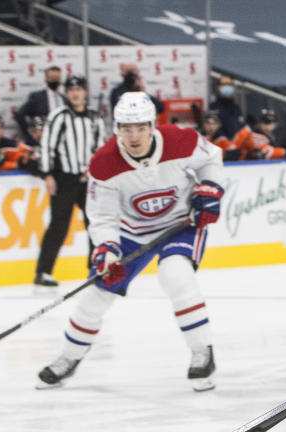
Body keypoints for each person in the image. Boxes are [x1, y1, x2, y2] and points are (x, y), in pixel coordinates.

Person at [36, 92, 224, 392]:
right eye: (126, 128)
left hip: (180, 223)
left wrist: (211, 187)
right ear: (117, 129)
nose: (133, 135)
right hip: (132, 232)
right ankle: (68, 358)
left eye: (140, 127)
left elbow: (211, 157)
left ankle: (203, 353)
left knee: (175, 275)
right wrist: (107, 249)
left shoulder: (180, 139)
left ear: (152, 125)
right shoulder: (103, 163)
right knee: (95, 296)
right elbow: (102, 218)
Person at [35, 76, 107, 287]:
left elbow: (100, 148)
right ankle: (43, 272)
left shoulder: (95, 116)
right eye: (71, 90)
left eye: (78, 89)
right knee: (58, 225)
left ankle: (94, 268)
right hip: (63, 179)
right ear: (66, 93)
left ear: (84, 91)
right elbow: (47, 146)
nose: (75, 93)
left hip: (88, 180)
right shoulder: (59, 116)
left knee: (94, 224)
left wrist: (95, 173)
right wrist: (48, 174)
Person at [14, 66, 66, 142]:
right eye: (52, 78)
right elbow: (20, 115)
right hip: (43, 139)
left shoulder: (65, 99)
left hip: (63, 139)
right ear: (46, 79)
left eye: (57, 78)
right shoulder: (37, 98)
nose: (55, 80)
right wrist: (29, 134)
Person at [208, 75, 246, 140]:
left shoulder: (236, 108)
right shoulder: (214, 107)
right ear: (218, 87)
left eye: (229, 84)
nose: (227, 87)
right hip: (220, 145)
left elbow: (242, 126)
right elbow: (212, 128)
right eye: (224, 84)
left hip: (236, 146)